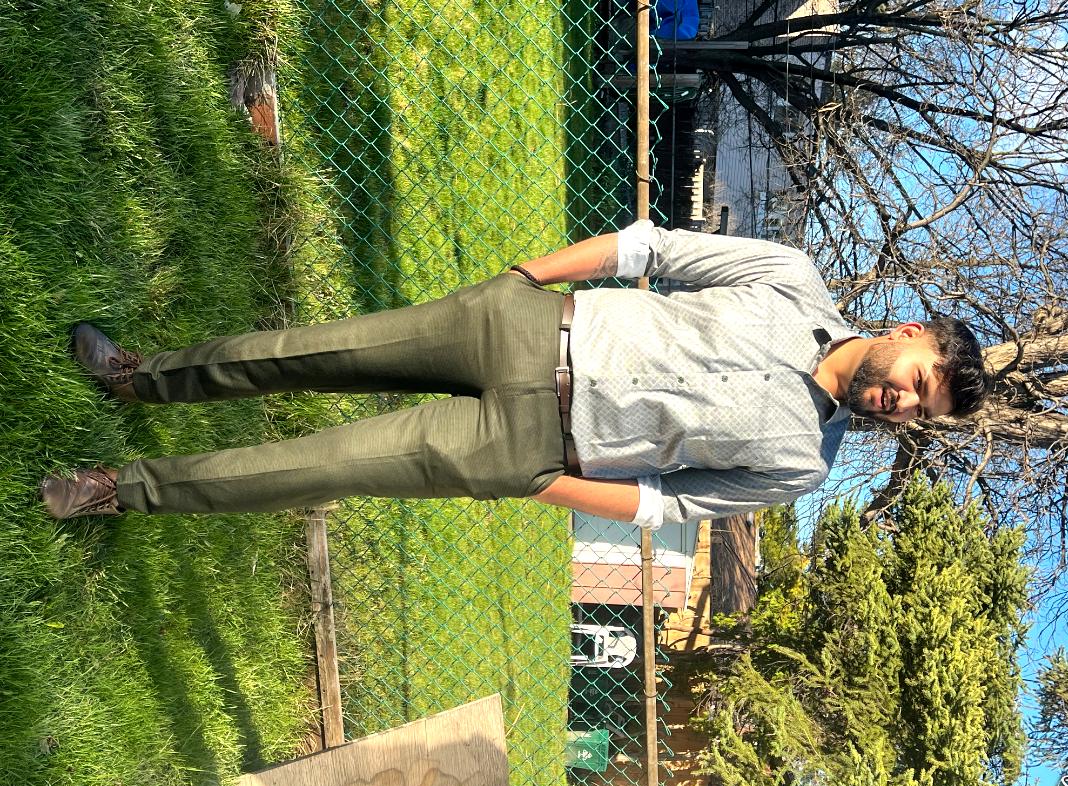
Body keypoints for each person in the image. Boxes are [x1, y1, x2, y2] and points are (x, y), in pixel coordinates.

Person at [40, 220, 989, 528]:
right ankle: (140, 377)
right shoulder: (790, 279)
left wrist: (542, 483)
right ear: (907, 333)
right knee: (316, 352)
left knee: (319, 465)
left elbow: (663, 506)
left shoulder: (800, 467)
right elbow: (650, 249)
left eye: (918, 412)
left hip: (529, 445)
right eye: (916, 382)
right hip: (525, 328)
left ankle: (117, 489)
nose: (900, 403)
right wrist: (525, 279)